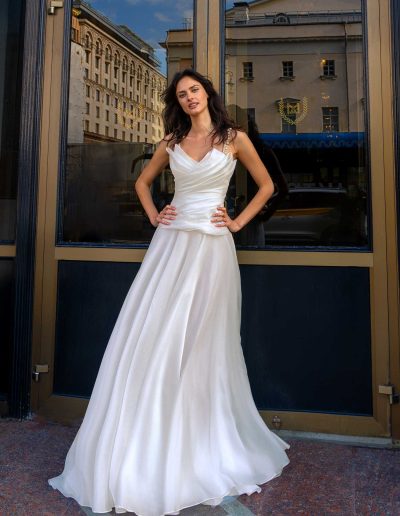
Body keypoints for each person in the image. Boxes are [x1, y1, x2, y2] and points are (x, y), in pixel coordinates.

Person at [48, 69, 290, 516]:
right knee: (155, 334)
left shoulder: (234, 137)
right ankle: (153, 431)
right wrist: (155, 213)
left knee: (204, 339)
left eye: (195, 90)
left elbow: (268, 186)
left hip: (213, 248)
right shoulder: (171, 143)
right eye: (182, 94)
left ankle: (198, 432)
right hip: (172, 243)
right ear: (177, 103)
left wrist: (236, 223)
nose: (190, 98)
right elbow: (142, 183)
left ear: (207, 94)